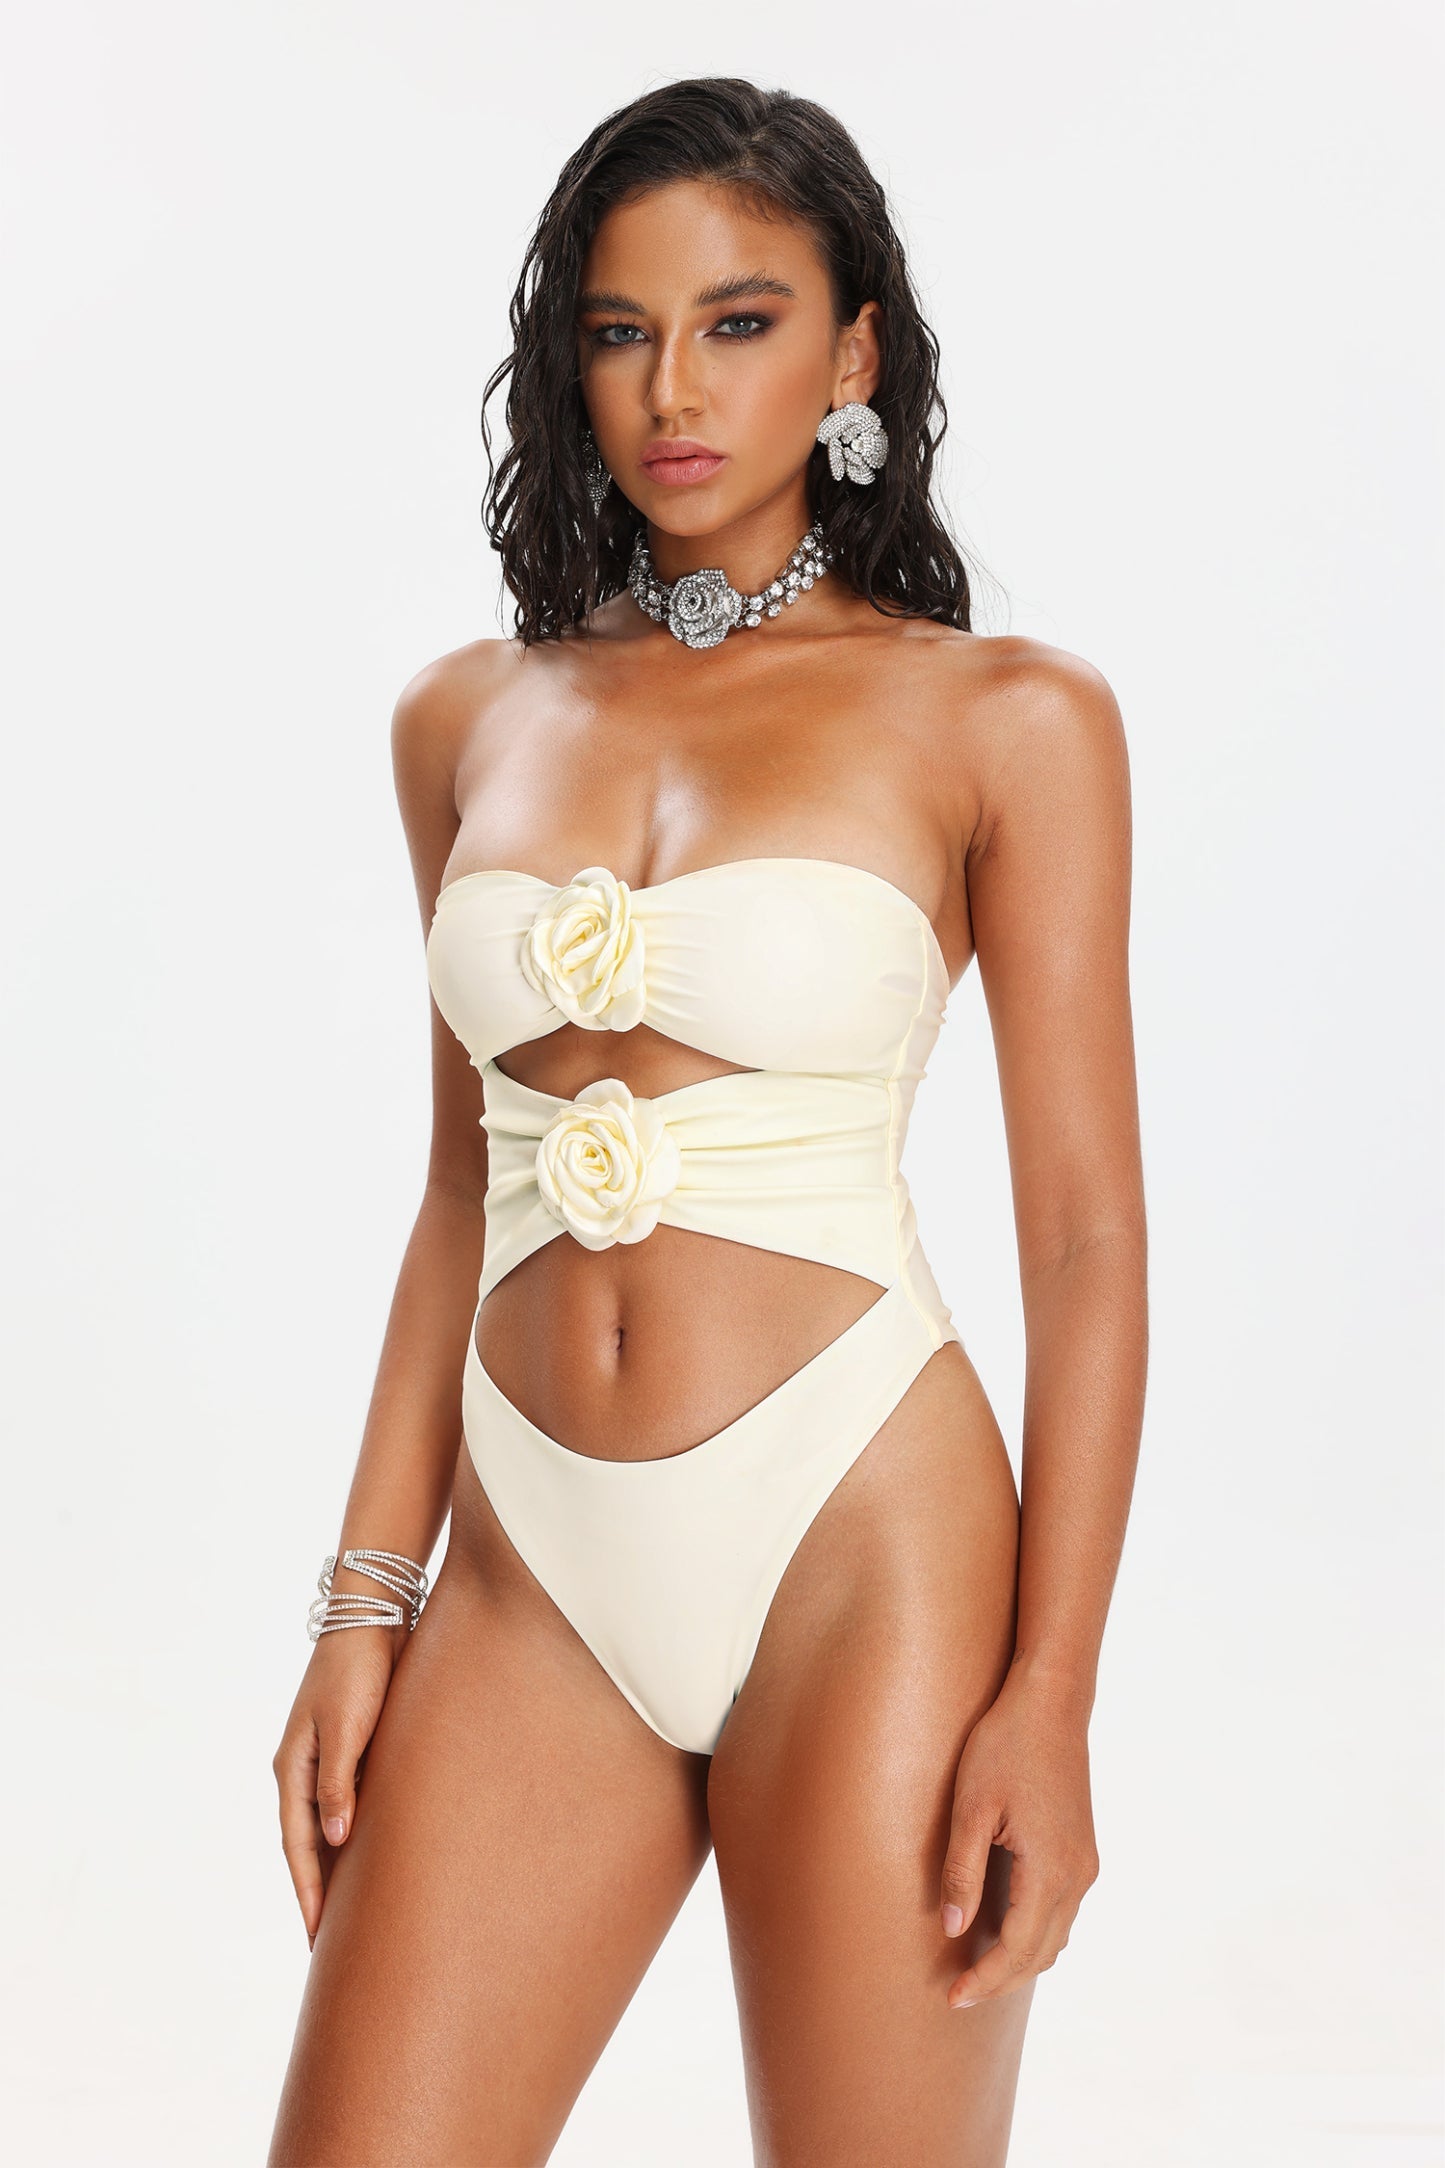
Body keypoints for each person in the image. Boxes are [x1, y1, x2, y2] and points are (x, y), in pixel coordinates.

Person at [267, 76, 1148, 2168]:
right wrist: (362, 1600)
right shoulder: (467, 717)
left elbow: (1086, 1238)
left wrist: (1050, 1695)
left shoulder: (1007, 717)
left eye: (739, 323)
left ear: (852, 357)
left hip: (861, 1543)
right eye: (620, 329)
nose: (673, 389)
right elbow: (462, 1185)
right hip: (525, 1574)